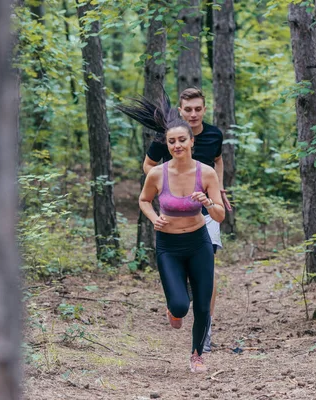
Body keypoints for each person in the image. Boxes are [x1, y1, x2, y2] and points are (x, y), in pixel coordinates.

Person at [117, 93, 225, 373]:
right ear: (167, 144)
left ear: (192, 142)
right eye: (171, 141)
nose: (177, 145)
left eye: (182, 140)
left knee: (202, 304)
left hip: (198, 241)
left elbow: (220, 214)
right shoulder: (157, 174)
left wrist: (208, 203)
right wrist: (154, 217)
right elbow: (142, 200)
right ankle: (173, 311)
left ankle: (197, 355)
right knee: (179, 306)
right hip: (168, 246)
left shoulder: (207, 173)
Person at [143, 88, 231, 352]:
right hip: (175, 206)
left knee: (209, 267)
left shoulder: (215, 134)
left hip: (206, 206)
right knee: (184, 278)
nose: (193, 114)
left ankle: (206, 331)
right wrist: (167, 183)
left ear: (204, 109)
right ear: (180, 111)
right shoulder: (169, 137)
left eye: (198, 109)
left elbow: (218, 160)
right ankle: (179, 301)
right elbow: (148, 166)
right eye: (188, 109)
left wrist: (218, 190)